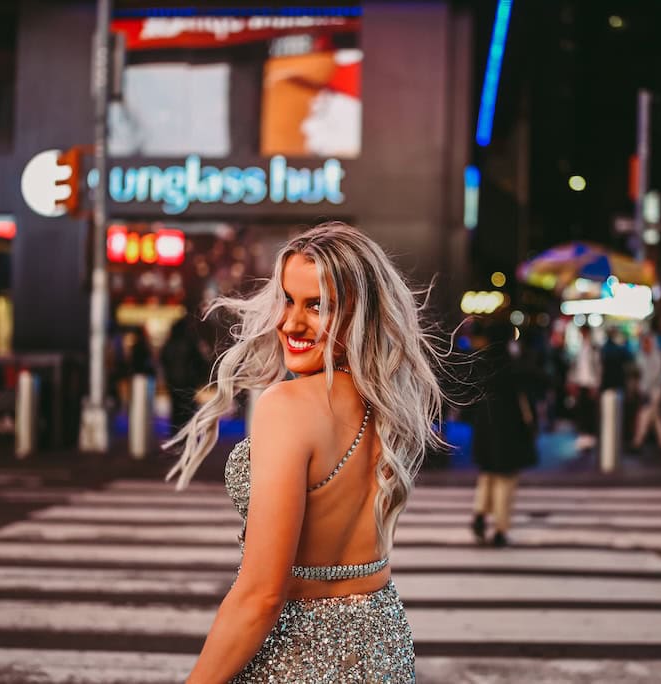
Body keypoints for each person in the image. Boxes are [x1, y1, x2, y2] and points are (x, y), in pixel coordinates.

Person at [166, 222, 442, 682]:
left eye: (318, 306)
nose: (291, 323)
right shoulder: (388, 403)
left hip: (299, 655)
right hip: (382, 645)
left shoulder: (286, 408)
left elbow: (261, 596)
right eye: (288, 300)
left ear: (359, 313)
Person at [470, 323, 539, 548]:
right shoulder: (512, 365)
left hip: (485, 428)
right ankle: (500, 527)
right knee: (506, 479)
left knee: (487, 474)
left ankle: (480, 512)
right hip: (509, 428)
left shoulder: (480, 363)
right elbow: (527, 394)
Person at [160, 318, 208, 433]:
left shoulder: (169, 344)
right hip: (188, 383)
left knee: (176, 410)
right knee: (188, 411)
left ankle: (176, 435)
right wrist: (199, 378)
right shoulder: (190, 343)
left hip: (173, 383)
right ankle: (187, 435)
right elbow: (200, 362)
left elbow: (163, 361)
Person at [631, 333, 661, 451]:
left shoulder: (656, 356)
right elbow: (639, 373)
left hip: (655, 391)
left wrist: (645, 390)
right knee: (656, 416)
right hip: (646, 391)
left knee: (644, 415)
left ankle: (638, 441)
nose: (645, 345)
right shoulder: (641, 356)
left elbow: (654, 376)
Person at [568, 326, 601, 451]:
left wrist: (596, 385)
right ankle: (584, 437)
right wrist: (573, 381)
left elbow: (598, 368)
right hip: (581, 383)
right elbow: (576, 366)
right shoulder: (580, 348)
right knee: (581, 411)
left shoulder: (593, 348)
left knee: (589, 411)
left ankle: (590, 438)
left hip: (590, 384)